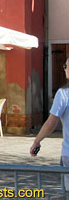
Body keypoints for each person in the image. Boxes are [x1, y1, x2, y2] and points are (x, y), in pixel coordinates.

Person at [31, 56, 69, 188]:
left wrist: (37, 141)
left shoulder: (64, 93)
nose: (64, 69)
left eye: (66, 66)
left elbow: (51, 123)